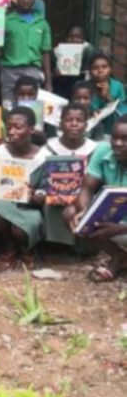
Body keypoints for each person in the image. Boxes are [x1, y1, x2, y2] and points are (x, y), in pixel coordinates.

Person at [0, 106, 51, 270]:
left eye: (18, 127)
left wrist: (37, 196)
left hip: (29, 208)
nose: (11, 131)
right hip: (5, 205)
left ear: (31, 129)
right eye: (9, 127)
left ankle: (25, 247)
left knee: (20, 229)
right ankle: (9, 245)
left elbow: (46, 190)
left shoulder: (44, 157)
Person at [64, 115, 127, 281]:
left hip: (122, 228)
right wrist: (86, 212)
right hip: (113, 221)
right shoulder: (103, 151)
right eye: (115, 137)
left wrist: (120, 229)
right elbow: (86, 188)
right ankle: (119, 257)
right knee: (71, 213)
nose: (118, 144)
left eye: (125, 139)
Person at [44, 103, 97, 246]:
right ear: (60, 124)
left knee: (76, 209)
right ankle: (56, 245)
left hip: (86, 198)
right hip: (56, 199)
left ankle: (83, 246)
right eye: (68, 120)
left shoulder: (95, 150)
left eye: (79, 121)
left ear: (86, 125)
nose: (74, 124)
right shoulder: (48, 148)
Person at [0, 0, 52, 106]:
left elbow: (45, 53)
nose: (26, 0)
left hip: (32, 71)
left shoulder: (42, 23)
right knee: (8, 108)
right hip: (9, 71)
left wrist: (48, 81)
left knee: (32, 111)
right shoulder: (6, 20)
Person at [89, 53, 127, 137]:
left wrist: (106, 96)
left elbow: (122, 112)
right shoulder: (83, 87)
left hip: (111, 130)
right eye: (95, 68)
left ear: (110, 69)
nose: (100, 71)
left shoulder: (117, 86)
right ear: (90, 71)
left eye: (104, 67)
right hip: (90, 129)